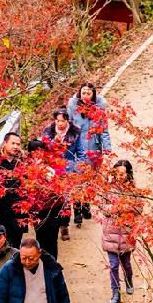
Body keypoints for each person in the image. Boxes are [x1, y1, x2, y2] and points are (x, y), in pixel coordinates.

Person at [67, 82, 111, 226]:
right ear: (79, 93)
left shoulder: (99, 110)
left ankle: (86, 205)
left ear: (93, 95)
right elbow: (68, 127)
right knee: (77, 180)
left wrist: (107, 149)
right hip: (77, 149)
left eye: (88, 93)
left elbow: (104, 131)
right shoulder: (73, 109)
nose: (85, 95)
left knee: (90, 179)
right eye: (83, 92)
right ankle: (77, 209)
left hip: (94, 147)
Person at [38, 111, 82, 248]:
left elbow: (80, 152)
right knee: (53, 197)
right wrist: (53, 143)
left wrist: (75, 167)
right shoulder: (48, 132)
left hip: (68, 169)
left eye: (63, 121)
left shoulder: (75, 133)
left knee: (66, 199)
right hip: (51, 170)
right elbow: (43, 150)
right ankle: (53, 221)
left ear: (67, 121)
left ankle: (64, 224)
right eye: (58, 121)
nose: (60, 124)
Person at [100, 158, 140, 303]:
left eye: (122, 174)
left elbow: (139, 210)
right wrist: (116, 209)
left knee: (126, 264)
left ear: (128, 174)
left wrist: (127, 208)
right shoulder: (108, 189)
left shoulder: (134, 191)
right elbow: (104, 208)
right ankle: (115, 293)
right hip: (111, 233)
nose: (119, 176)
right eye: (117, 173)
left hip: (126, 233)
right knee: (113, 265)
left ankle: (129, 279)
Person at [0, 131, 27, 249]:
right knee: (2, 245)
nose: (16, 147)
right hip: (1, 210)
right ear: (5, 143)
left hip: (18, 211)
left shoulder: (21, 162)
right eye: (13, 143)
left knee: (16, 245)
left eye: (18, 144)